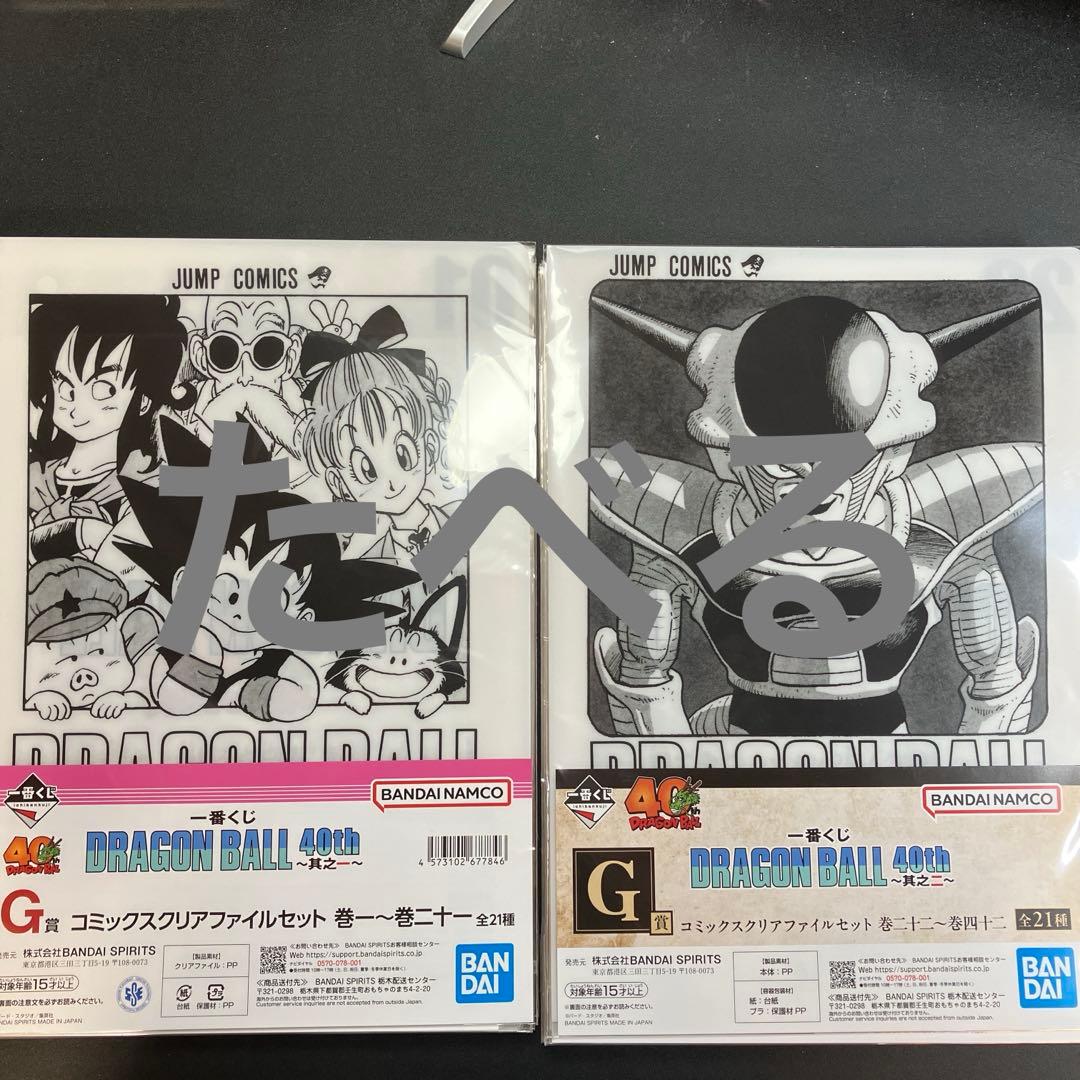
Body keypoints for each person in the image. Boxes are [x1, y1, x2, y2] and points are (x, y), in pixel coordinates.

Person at [28, 295, 192, 562]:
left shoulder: (147, 488)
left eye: (103, 389)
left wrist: (84, 533)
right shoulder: (33, 479)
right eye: (66, 387)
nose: (77, 407)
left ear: (143, 399)